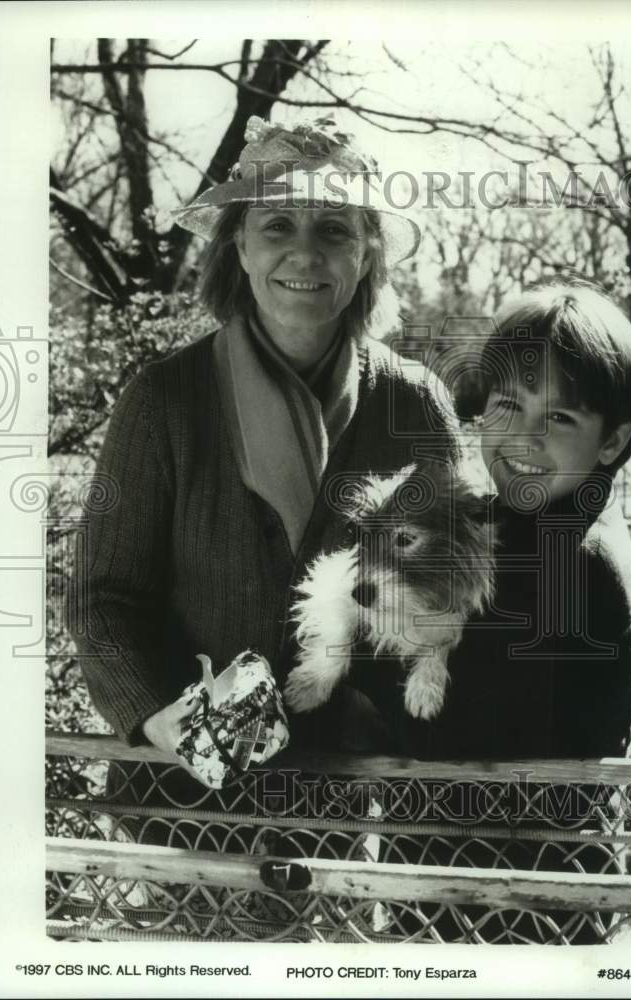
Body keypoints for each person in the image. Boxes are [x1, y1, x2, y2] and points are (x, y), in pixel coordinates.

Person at [68, 115, 461, 786]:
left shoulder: (414, 405)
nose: (304, 255)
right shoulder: (164, 400)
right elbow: (103, 599)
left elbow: (457, 585)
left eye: (334, 229)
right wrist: (161, 717)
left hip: (352, 793)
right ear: (239, 248)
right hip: (185, 797)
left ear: (368, 253)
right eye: (276, 226)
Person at [441, 281, 631, 761]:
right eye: (509, 404)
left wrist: (363, 691)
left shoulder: (570, 560)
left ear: (612, 441)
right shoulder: (534, 518)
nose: (521, 438)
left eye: (558, 417)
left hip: (513, 831)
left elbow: (462, 733)